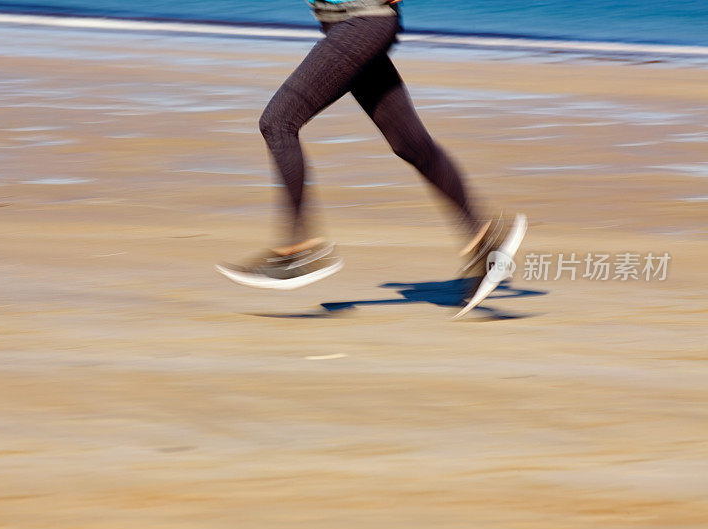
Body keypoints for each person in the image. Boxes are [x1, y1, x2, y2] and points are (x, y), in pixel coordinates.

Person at [216, 0, 526, 315]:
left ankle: (298, 252)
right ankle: (485, 244)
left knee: (278, 123)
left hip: (362, 23)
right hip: (349, 27)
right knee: (410, 144)